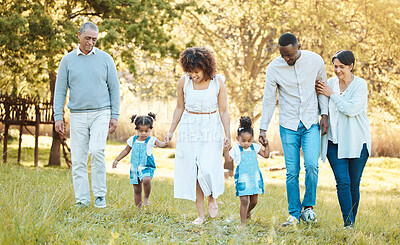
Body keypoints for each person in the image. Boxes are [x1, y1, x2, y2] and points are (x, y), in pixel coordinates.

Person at [259, 33, 329, 226]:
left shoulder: (315, 60)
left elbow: (322, 88)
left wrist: (325, 114)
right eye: (283, 55)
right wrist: (263, 129)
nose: (286, 59)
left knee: (312, 166)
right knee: (292, 171)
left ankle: (308, 208)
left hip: (310, 123)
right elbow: (269, 99)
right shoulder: (274, 67)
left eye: (289, 55)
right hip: (288, 124)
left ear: (299, 46)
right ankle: (294, 214)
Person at [53, 22, 120, 208]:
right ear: (79, 36)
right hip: (77, 114)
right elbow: (60, 91)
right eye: (87, 38)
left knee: (98, 151)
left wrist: (115, 115)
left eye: (94, 39)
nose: (91, 42)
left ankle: (99, 196)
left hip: (101, 112)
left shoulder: (106, 59)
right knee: (78, 159)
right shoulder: (67, 60)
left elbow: (114, 89)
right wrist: (58, 116)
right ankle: (82, 200)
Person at [164, 46, 231, 225]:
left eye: (196, 71)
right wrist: (170, 131)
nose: (193, 75)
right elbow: (179, 107)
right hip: (189, 126)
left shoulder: (218, 82)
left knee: (208, 168)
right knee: (193, 171)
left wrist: (228, 135)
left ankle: (212, 197)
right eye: (190, 72)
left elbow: (224, 111)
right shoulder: (183, 82)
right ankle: (200, 215)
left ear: (205, 66)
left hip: (210, 126)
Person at [315, 50, 371, 229]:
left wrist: (332, 94)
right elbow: (321, 104)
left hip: (357, 143)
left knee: (354, 184)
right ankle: (348, 224)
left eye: (342, 67)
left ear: (351, 66)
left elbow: (351, 109)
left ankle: (351, 223)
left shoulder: (360, 85)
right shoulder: (330, 83)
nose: (338, 70)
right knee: (342, 182)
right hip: (334, 142)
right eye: (335, 67)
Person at [112, 113, 169, 208]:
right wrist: (117, 159)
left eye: (146, 131)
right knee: (137, 190)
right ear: (137, 129)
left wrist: (166, 143)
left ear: (150, 129)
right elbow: (126, 150)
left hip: (146, 167)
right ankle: (138, 209)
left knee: (146, 179)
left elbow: (161, 144)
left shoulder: (152, 140)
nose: (143, 133)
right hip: (134, 168)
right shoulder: (132, 139)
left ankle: (146, 197)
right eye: (141, 131)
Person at [224, 116, 270, 226]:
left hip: (254, 179)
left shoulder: (254, 147)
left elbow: (266, 155)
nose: (246, 143)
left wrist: (267, 145)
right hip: (243, 180)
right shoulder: (236, 149)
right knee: (244, 201)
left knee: (254, 202)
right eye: (243, 141)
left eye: (249, 140)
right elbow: (228, 160)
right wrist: (226, 150)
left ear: (252, 138)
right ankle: (243, 223)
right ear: (237, 138)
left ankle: (248, 211)